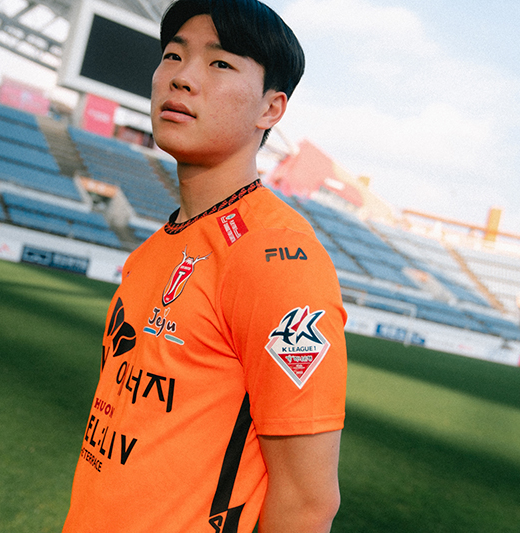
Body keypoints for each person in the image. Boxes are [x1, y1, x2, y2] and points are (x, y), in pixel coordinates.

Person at [61, 1, 347, 531]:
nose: (183, 77)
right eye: (173, 55)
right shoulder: (154, 249)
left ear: (271, 109)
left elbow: (308, 502)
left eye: (220, 63)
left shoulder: (276, 255)